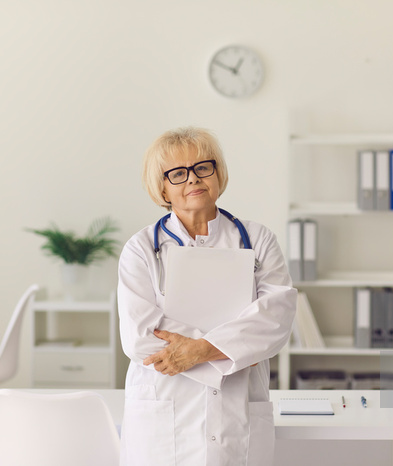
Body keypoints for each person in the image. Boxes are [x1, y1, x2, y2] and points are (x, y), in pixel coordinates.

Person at [117, 127, 297, 465]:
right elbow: (140, 338)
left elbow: (275, 319)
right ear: (162, 187)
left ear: (218, 173)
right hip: (164, 421)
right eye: (178, 173)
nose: (193, 179)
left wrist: (198, 351)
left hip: (237, 415)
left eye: (203, 167)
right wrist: (236, 350)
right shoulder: (140, 250)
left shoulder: (258, 239)